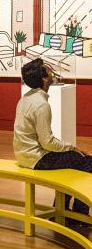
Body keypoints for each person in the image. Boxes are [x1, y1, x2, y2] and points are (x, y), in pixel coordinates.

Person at [14, 58, 92, 219]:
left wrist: (70, 150)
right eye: (48, 69)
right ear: (44, 78)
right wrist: (72, 147)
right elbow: (47, 142)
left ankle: (61, 211)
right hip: (36, 159)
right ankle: (79, 214)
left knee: (75, 162)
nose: (51, 70)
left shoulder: (26, 98)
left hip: (24, 155)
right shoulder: (41, 105)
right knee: (88, 162)